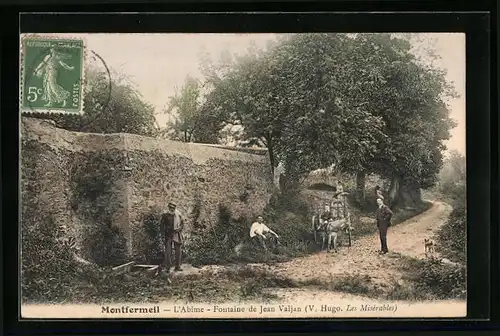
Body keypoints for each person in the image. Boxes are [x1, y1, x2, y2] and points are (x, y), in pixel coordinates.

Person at [160, 202, 184, 272]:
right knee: (168, 251)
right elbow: (161, 226)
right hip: (168, 235)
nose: (172, 209)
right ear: (168, 207)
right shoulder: (165, 215)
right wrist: (162, 236)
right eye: (170, 208)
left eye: (173, 208)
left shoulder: (178, 214)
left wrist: (179, 229)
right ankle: (168, 268)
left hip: (177, 234)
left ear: (175, 208)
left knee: (178, 251)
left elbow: (182, 224)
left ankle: (177, 266)